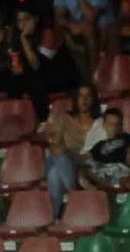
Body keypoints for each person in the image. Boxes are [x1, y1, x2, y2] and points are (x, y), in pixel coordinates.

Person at [44, 82, 101, 217]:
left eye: (88, 96)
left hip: (85, 165)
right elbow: (55, 145)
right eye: (81, 96)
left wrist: (74, 155)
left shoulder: (100, 123)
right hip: (65, 161)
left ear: (93, 100)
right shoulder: (64, 119)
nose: (84, 100)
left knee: (54, 175)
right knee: (56, 152)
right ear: (76, 99)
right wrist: (72, 155)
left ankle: (54, 219)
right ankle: (73, 191)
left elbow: (97, 153)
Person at [80, 107, 130, 191]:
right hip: (103, 170)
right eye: (110, 124)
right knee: (82, 172)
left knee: (127, 178)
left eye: (117, 124)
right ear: (104, 125)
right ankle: (95, 193)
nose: (113, 128)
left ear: (121, 126)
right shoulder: (99, 144)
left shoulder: (124, 137)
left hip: (118, 168)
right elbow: (88, 156)